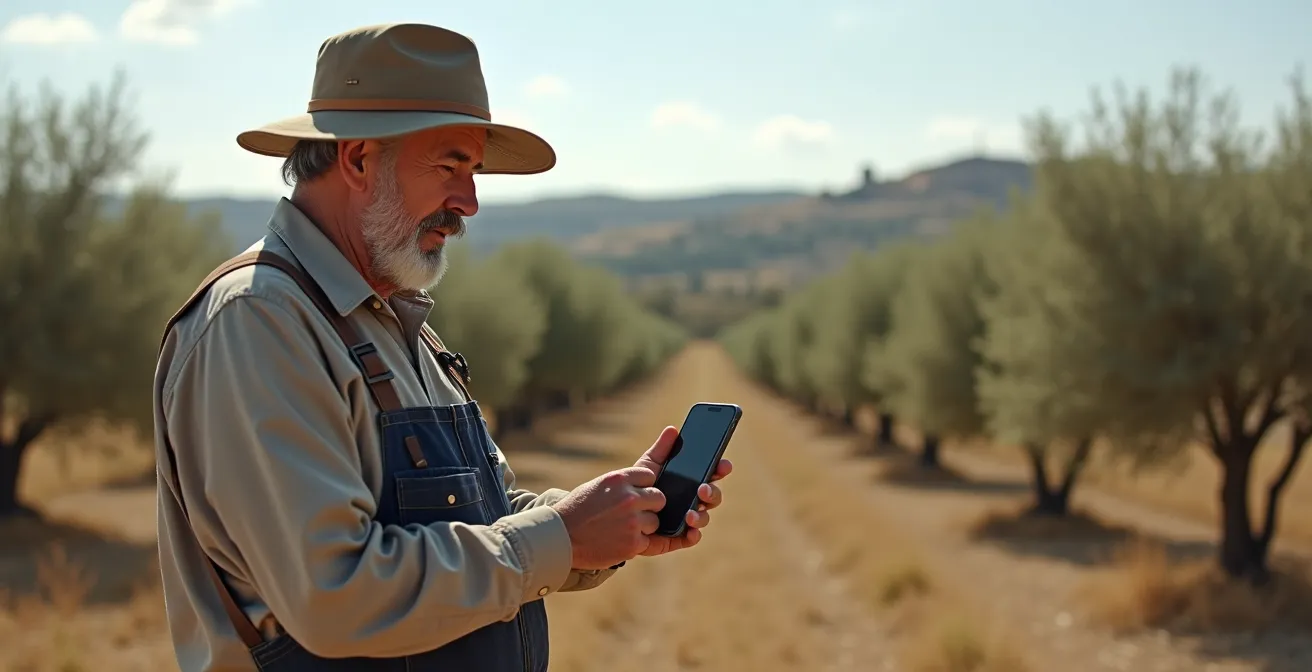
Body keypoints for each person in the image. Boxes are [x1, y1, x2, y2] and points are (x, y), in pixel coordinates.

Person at [152, 22, 732, 672]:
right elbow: (335, 593)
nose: (470, 202)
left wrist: (613, 515)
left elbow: (487, 519)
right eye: (451, 165)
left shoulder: (396, 326)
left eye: (474, 171)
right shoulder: (258, 322)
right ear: (358, 159)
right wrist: (562, 537)